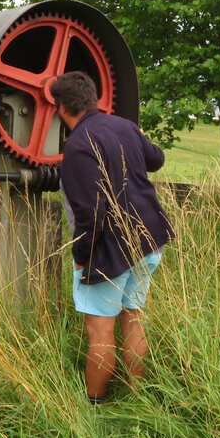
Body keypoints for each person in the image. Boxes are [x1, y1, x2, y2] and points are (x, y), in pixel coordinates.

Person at [50, 70, 174, 405]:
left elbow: (90, 214)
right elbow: (156, 159)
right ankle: (136, 398)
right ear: (92, 99)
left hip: (110, 251)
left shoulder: (77, 147)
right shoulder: (124, 126)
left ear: (60, 107)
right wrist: (140, 137)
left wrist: (83, 257)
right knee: (133, 318)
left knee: (100, 330)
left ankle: (96, 405)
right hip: (148, 239)